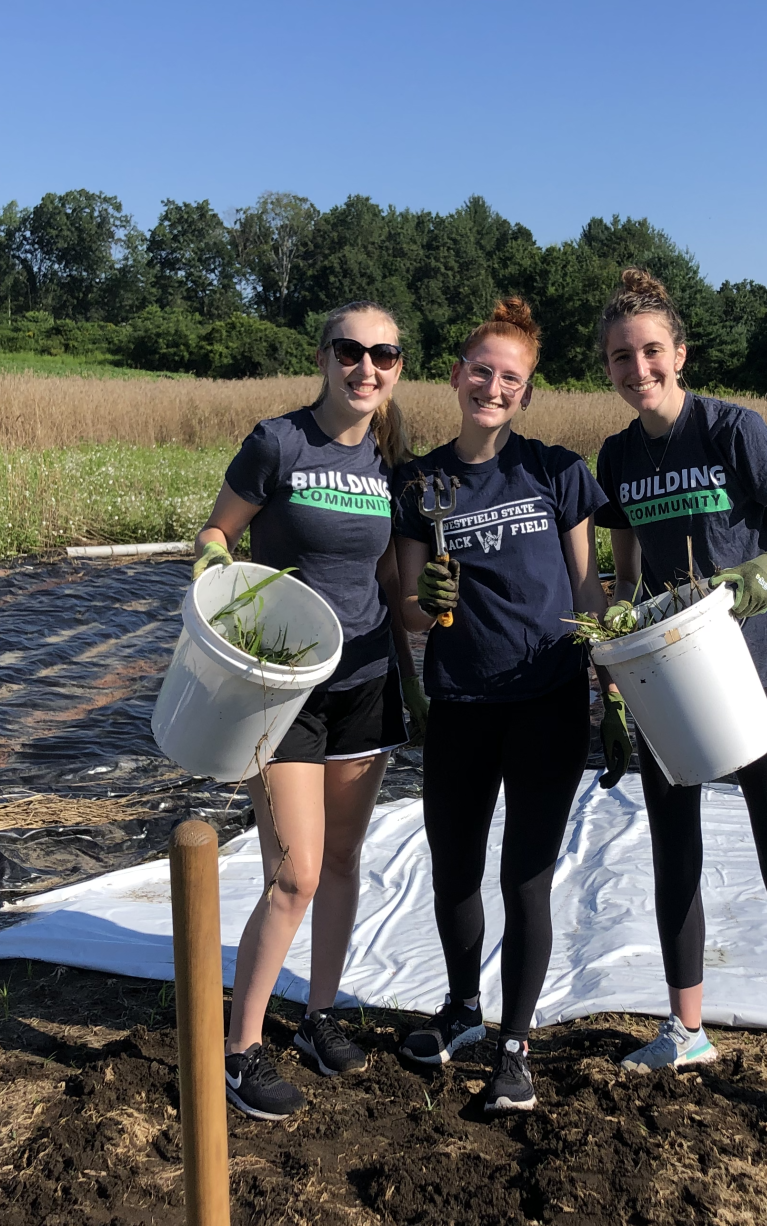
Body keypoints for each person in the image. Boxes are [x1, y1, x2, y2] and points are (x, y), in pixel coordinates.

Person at [592, 268, 767, 1160]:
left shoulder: (735, 431)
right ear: (610, 370)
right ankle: (687, 1028)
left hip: (754, 677)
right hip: (666, 682)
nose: (640, 369)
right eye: (622, 358)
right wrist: (614, 659)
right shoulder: (619, 458)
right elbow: (625, 578)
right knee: (676, 855)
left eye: (651, 352)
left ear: (679, 354)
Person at [191, 300, 422, 1121]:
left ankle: (320, 1015)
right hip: (282, 687)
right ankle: (240, 1049)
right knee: (295, 872)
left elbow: (398, 589)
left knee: (345, 864)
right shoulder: (277, 443)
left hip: (366, 681)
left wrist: (433, 612)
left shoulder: (393, 469)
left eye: (384, 355)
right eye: (351, 351)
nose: (367, 368)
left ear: (397, 368)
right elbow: (218, 532)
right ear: (323, 357)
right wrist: (213, 566)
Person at [392, 298, 613, 1114]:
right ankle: (460, 1011)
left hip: (547, 701)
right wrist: (425, 596)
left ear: (526, 392)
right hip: (459, 702)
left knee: (526, 877)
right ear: (456, 377)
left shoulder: (556, 472)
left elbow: (588, 586)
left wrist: (609, 681)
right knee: (454, 868)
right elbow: (412, 613)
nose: (492, 386)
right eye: (480, 371)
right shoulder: (419, 484)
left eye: (509, 377)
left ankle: (515, 1046)